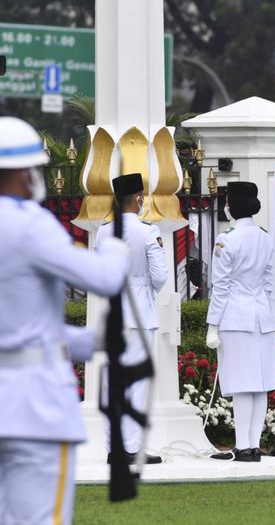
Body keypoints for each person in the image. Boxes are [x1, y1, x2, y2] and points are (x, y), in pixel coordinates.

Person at [0, 116, 130, 524]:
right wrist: (116, 246)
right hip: (32, 407)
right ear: (25, 173)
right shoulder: (29, 224)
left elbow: (19, 324)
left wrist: (86, 342)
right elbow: (105, 279)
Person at [206, 181, 275, 462]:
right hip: (262, 317)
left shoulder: (228, 238)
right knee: (259, 383)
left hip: (235, 318)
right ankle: (252, 446)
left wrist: (212, 324)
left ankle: (242, 446)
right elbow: (269, 282)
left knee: (241, 384)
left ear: (232, 206)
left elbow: (221, 286)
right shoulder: (265, 237)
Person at [97, 173, 168, 465]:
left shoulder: (103, 231)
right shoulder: (148, 232)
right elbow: (161, 277)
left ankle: (115, 447)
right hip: (139, 315)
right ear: (138, 199)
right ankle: (131, 447)